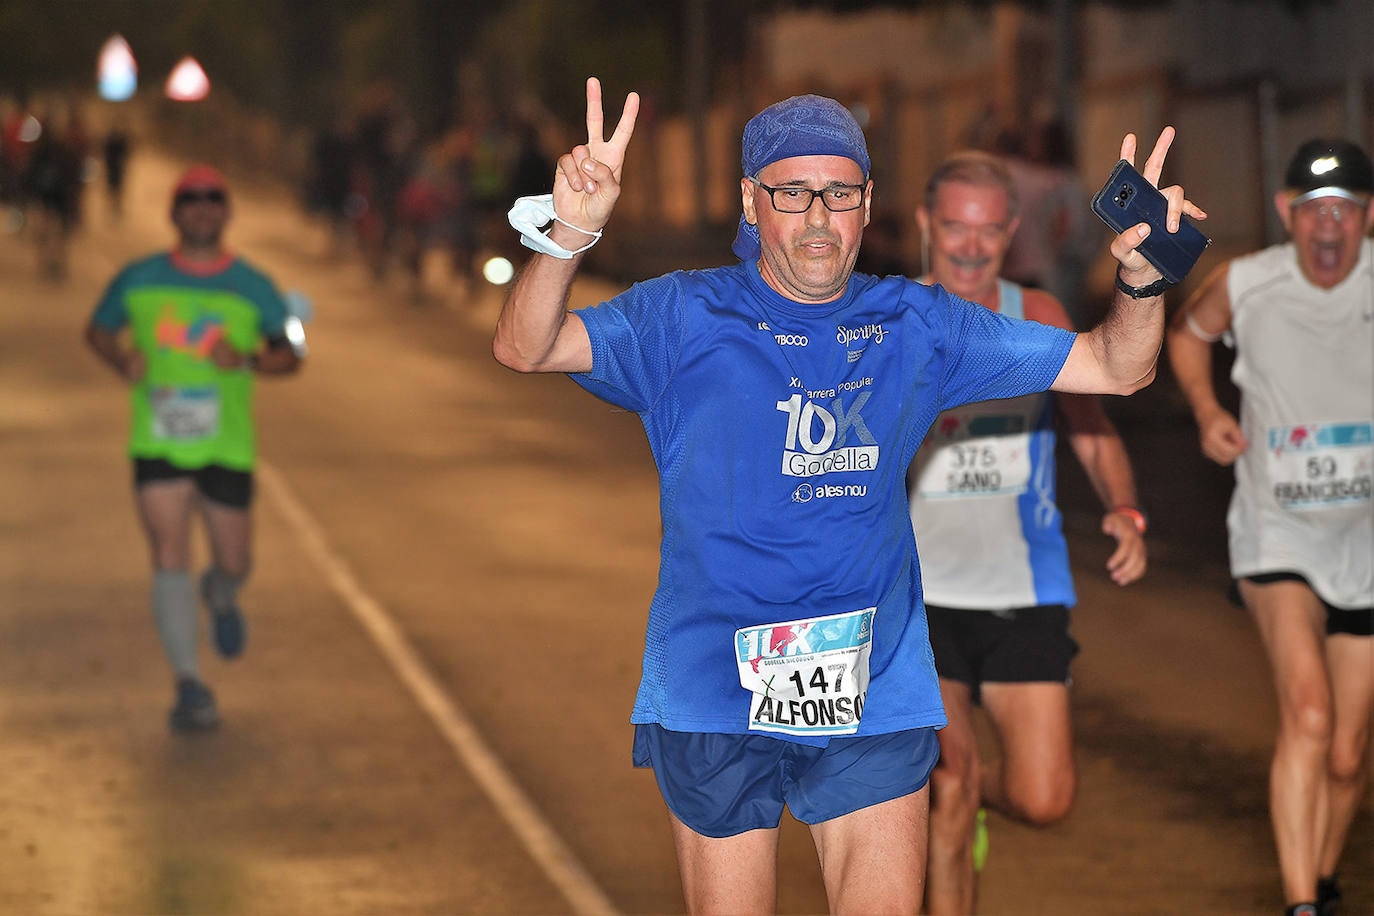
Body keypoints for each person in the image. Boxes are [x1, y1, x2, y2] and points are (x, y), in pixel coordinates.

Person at [493, 77, 1201, 913]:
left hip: (872, 686)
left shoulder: (920, 324)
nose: (819, 218)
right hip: (715, 685)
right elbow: (525, 346)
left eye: (841, 193)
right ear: (752, 205)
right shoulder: (682, 316)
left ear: (869, 207)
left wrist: (1145, 281)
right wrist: (571, 230)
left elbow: (1117, 367)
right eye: (793, 193)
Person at [907, 152, 1148, 915]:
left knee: (1044, 800)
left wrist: (1124, 507)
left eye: (988, 231)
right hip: (914, 599)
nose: (971, 246)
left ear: (1010, 232)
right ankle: (956, 798)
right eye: (955, 227)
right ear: (925, 225)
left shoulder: (1035, 316)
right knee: (948, 784)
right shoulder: (885, 320)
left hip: (1022, 588)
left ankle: (974, 798)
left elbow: (1091, 418)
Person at [1167, 138, 1373, 916]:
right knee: (1309, 713)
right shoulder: (1249, 283)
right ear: (1288, 213)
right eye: (1313, 211)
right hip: (1278, 531)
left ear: (1367, 218)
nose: (1328, 229)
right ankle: (1300, 906)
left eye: (1344, 212)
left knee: (1348, 760)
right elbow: (1188, 335)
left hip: (1365, 542)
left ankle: (1319, 879)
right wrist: (1209, 410)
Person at [84, 165, 302, 732]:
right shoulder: (137, 277)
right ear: (175, 212)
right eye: (190, 200)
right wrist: (121, 359)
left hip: (227, 445)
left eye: (212, 200)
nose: (201, 208)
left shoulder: (254, 284)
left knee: (235, 561)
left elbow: (291, 355)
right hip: (157, 439)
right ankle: (189, 684)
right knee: (168, 555)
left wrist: (248, 359)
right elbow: (98, 330)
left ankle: (222, 592)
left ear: (226, 212)